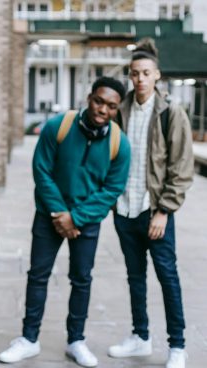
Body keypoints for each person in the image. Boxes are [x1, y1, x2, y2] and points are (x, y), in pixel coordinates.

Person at [0, 77, 131, 367]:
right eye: (99, 101)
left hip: (87, 221)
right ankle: (29, 339)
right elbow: (41, 170)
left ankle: (76, 340)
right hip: (49, 216)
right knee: (38, 275)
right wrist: (60, 213)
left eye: (111, 106)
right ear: (89, 97)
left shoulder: (120, 144)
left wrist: (76, 217)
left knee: (81, 279)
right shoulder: (59, 126)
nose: (103, 110)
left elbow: (112, 189)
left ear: (117, 109)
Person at [107, 38, 194, 368]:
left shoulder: (171, 113)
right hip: (125, 210)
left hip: (155, 212)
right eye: (134, 73)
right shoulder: (121, 111)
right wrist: (113, 203)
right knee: (135, 277)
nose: (140, 79)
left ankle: (178, 345)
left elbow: (181, 167)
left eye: (145, 73)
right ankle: (140, 337)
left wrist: (164, 211)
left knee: (167, 277)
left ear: (157, 75)